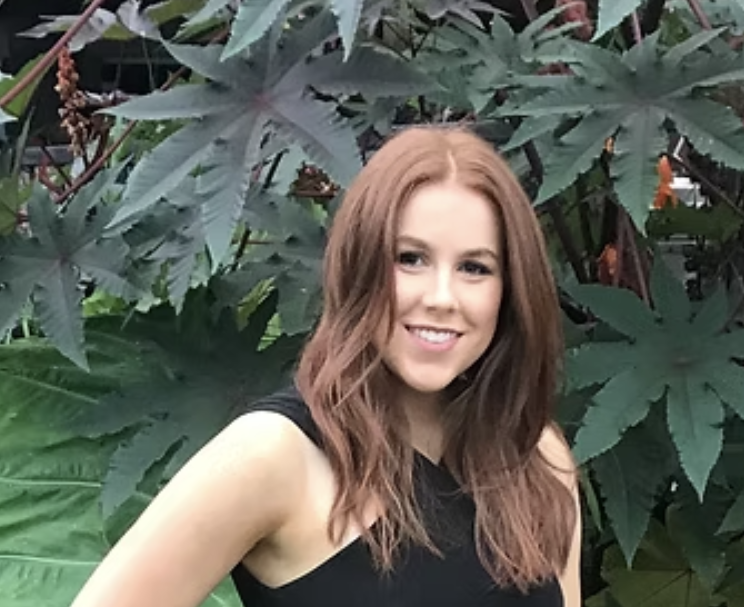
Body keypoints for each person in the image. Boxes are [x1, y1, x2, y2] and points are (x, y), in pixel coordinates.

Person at [69, 125, 581, 607]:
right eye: (410, 258)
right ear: (359, 266)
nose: (441, 297)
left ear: (510, 290)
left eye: (474, 267)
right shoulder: (275, 456)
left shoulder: (536, 455)